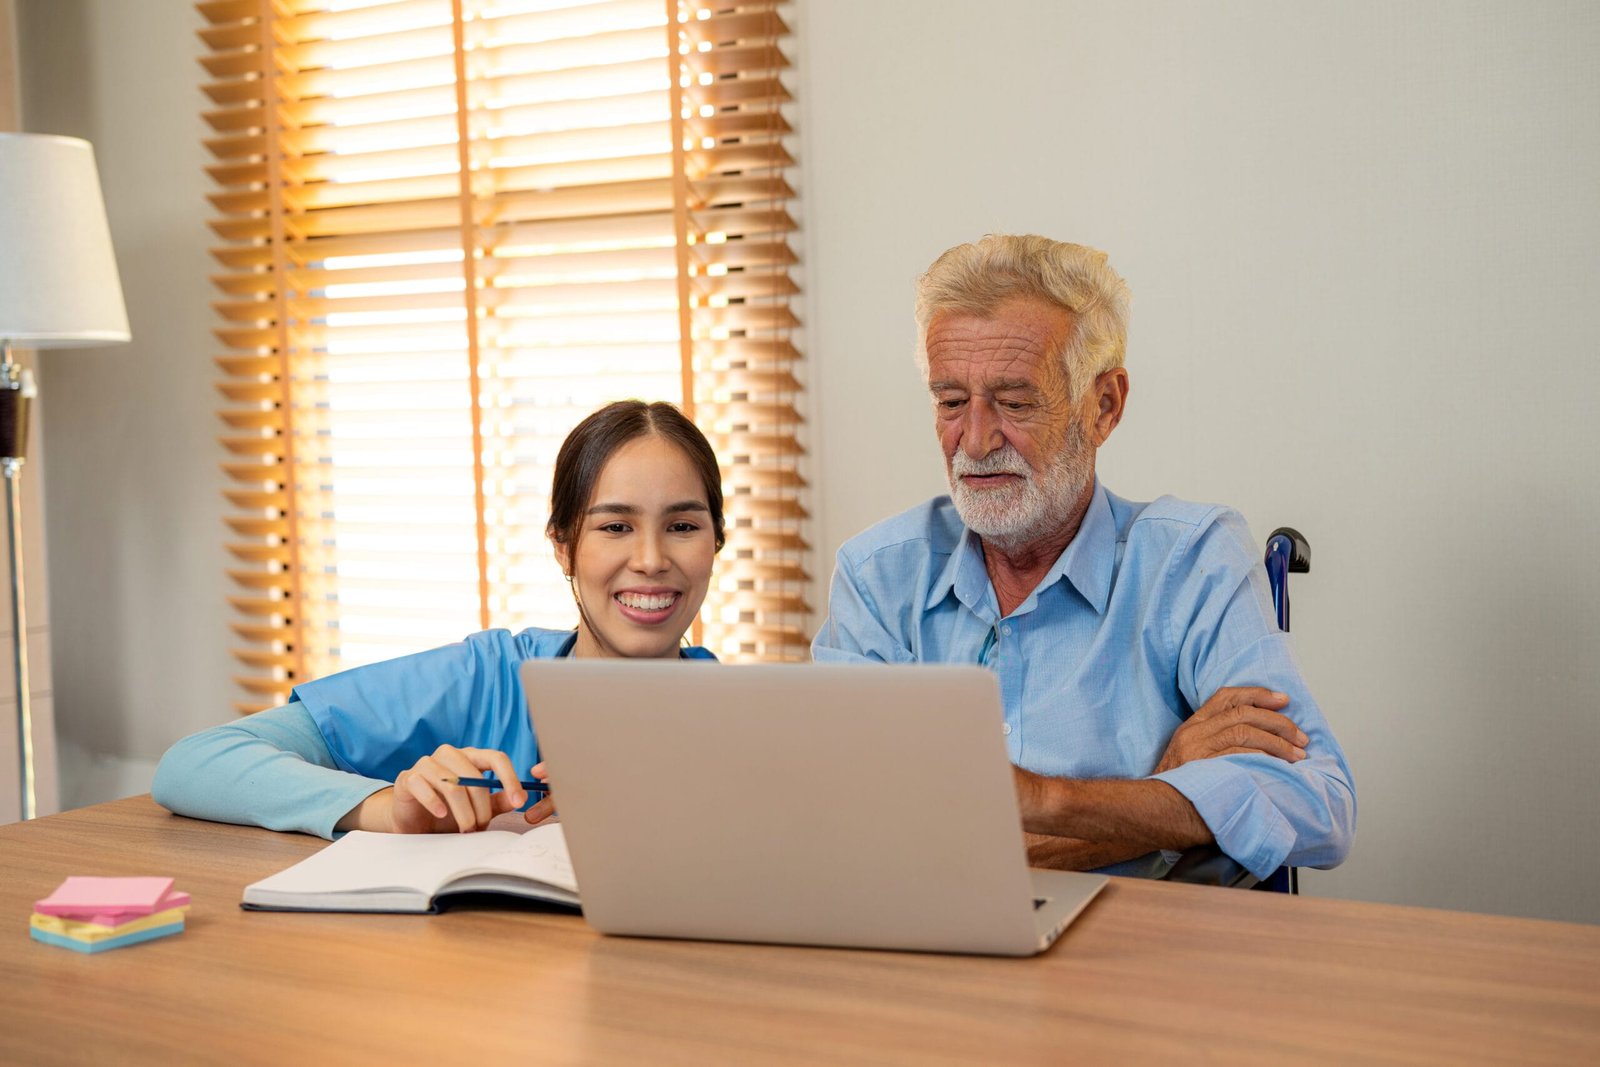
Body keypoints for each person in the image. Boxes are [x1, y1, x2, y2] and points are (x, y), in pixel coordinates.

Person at [813, 235, 1355, 880]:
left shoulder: (1192, 560)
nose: (976, 441)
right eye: (952, 402)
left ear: (1104, 405)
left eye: (1016, 402)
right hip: (939, 960)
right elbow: (846, 837)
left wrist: (1048, 800)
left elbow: (1320, 807)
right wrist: (1161, 786)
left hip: (1146, 963)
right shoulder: (880, 575)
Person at [154, 400, 724, 838]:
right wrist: (391, 809)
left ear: (716, 542)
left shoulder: (744, 723)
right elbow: (195, 764)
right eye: (614, 527)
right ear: (563, 545)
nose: (651, 560)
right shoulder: (484, 678)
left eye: (683, 526)